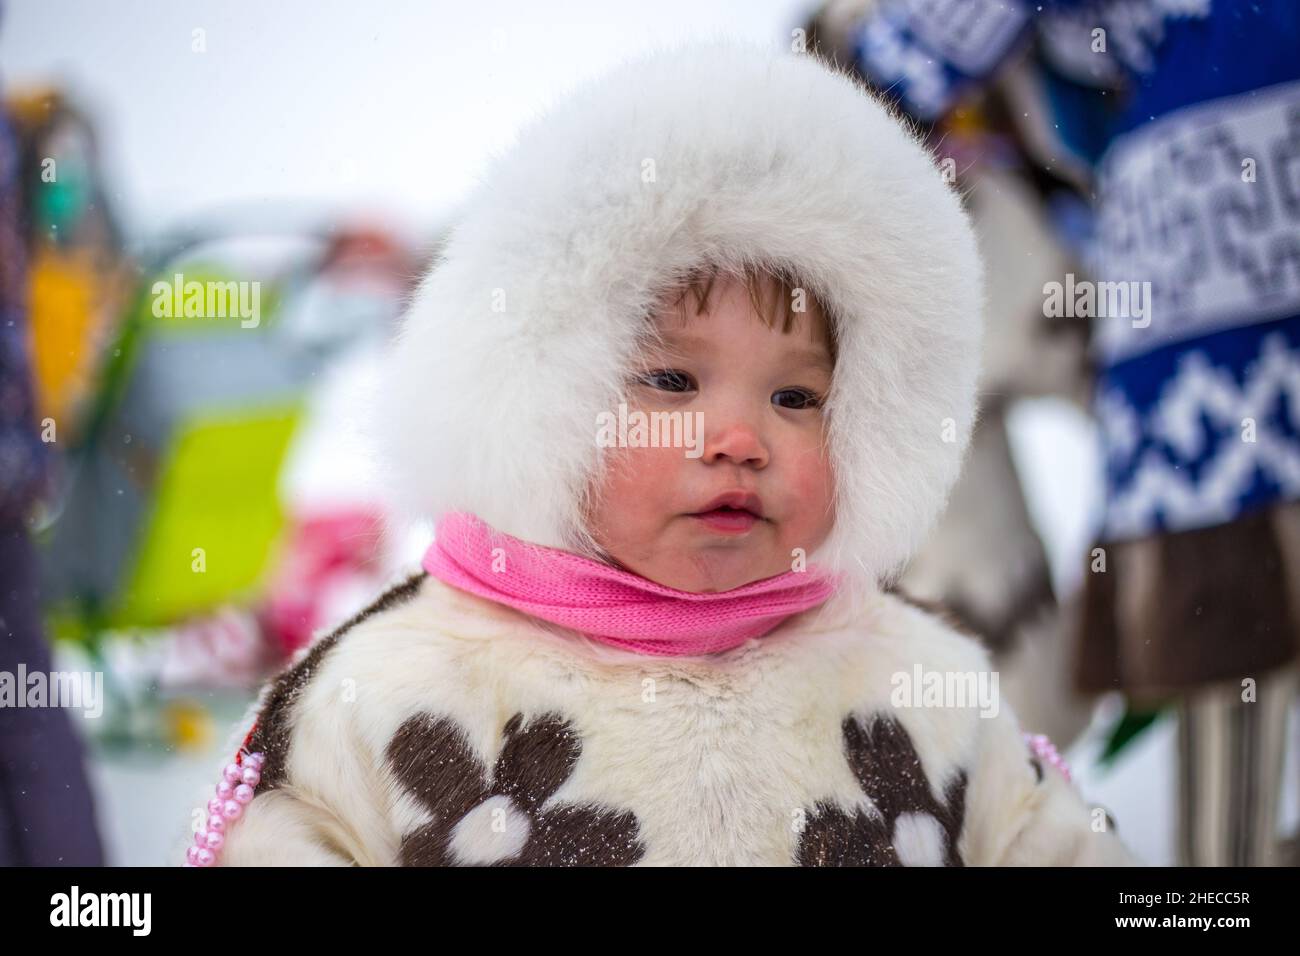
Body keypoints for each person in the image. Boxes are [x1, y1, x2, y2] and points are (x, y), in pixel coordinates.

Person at [176, 41, 1135, 866]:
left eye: (797, 397)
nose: (741, 440)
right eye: (673, 382)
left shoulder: (921, 685)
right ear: (548, 399)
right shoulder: (391, 690)